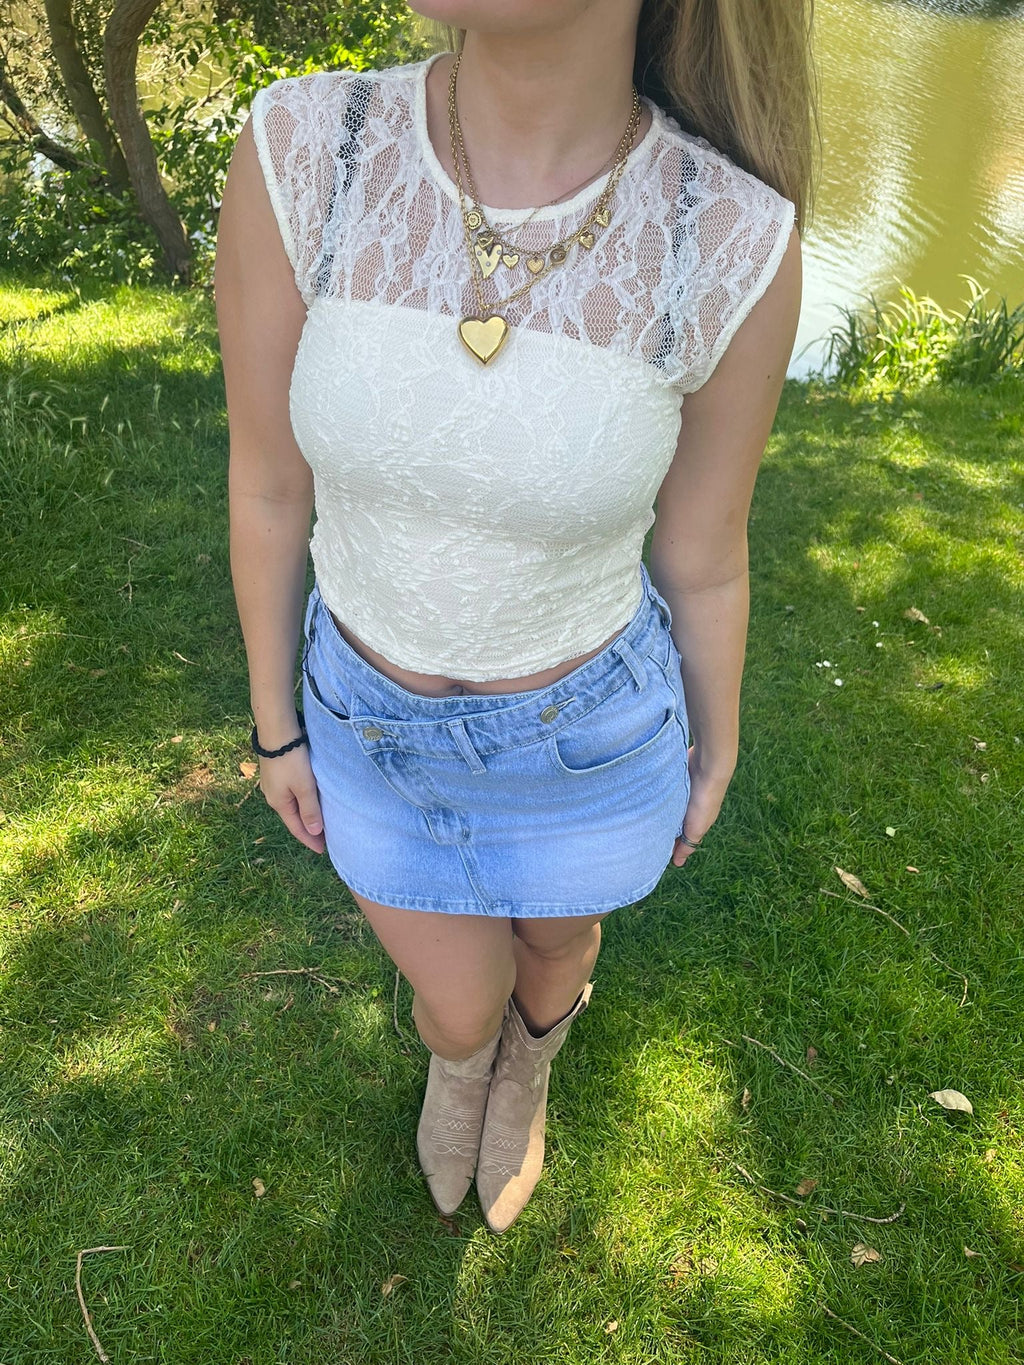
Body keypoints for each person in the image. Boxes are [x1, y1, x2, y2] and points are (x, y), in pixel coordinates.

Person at [214, 0, 814, 1234]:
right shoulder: (307, 148)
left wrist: (718, 741)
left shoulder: (728, 234)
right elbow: (267, 481)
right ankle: (463, 1059)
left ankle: (529, 1066)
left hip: (590, 743)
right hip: (368, 734)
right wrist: (275, 724)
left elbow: (704, 555)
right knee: (457, 998)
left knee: (553, 949)